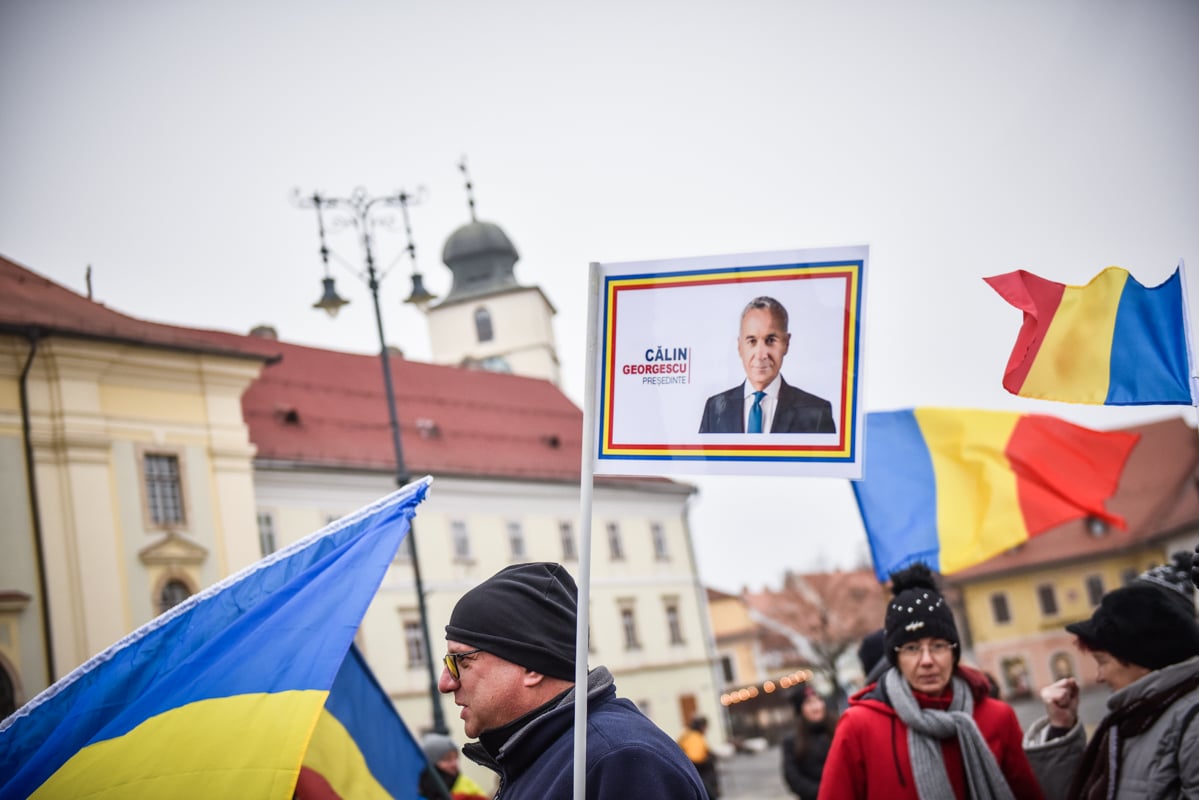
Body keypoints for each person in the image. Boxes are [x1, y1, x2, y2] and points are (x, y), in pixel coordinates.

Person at [438, 562, 708, 799]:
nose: (445, 683)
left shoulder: (620, 762)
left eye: (461, 661)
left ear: (531, 666)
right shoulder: (535, 756)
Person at [818, 563, 1043, 800]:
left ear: (954, 652)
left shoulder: (996, 717)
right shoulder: (859, 726)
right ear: (896, 658)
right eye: (912, 648)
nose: (927, 660)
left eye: (938, 646)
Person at [1023, 553, 1199, 798]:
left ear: (1142, 657)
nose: (1098, 677)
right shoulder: (1133, 716)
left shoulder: (1189, 724)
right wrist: (1061, 728)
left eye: (1102, 662)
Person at [698, 296, 836, 434]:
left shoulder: (817, 412)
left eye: (770, 340)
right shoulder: (714, 409)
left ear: (786, 343)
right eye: (752, 341)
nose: (761, 354)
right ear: (740, 346)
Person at [781, 684, 836, 799]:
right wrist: (824, 792)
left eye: (818, 700)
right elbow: (793, 777)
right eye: (809, 703)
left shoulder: (839, 730)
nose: (816, 707)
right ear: (800, 709)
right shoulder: (792, 741)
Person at [418, 732, 490, 800]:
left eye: (456, 758)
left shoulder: (469, 791)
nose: (454, 764)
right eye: (447, 759)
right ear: (431, 763)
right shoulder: (416, 788)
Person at [678, 716, 720, 799]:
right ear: (702, 726)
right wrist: (709, 759)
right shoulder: (695, 737)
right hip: (701, 776)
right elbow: (696, 758)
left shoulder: (686, 735)